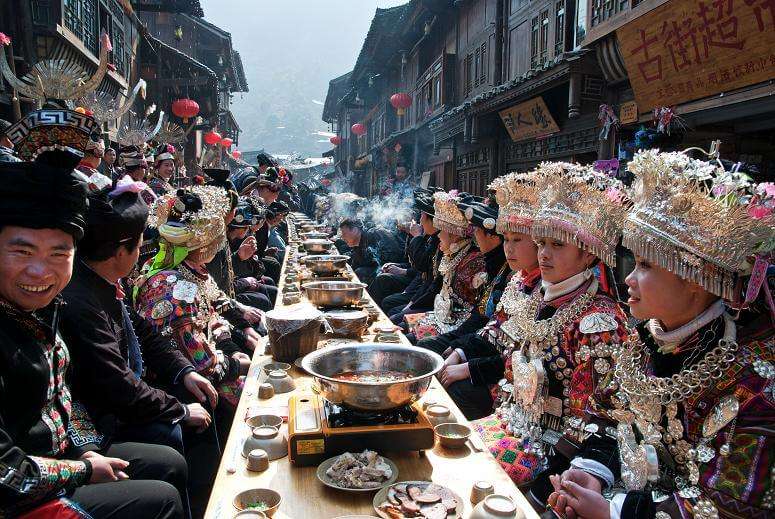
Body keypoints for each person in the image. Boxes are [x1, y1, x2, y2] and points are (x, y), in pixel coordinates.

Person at [546, 150, 775, 519]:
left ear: (696, 280)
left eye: (646, 265)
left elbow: (729, 507)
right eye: (633, 263)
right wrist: (590, 473)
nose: (628, 279)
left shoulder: (753, 382)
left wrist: (615, 511)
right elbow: (605, 414)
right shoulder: (643, 342)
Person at [0, 159, 185, 518]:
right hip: (19, 499)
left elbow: (61, 399)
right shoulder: (67, 304)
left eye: (59, 253)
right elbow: (8, 472)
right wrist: (82, 469)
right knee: (162, 498)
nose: (40, 270)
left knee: (168, 463)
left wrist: (85, 449)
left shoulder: (43, 308)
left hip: (61, 457)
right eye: (22, 251)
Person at [471, 162, 630, 502]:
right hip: (512, 423)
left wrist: (543, 488)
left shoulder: (599, 321)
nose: (543, 253)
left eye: (557, 245)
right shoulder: (536, 296)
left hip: (556, 452)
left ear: (588, 254)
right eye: (541, 242)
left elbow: (596, 423)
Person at [59, 177, 215, 448]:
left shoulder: (103, 282)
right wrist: (180, 410)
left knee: (196, 390)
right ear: (120, 252)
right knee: (174, 433)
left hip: (125, 393)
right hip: (100, 417)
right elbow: (117, 385)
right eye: (139, 247)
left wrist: (185, 371)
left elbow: (145, 332)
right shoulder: (81, 303)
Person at [134, 186, 249, 409]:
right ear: (201, 244)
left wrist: (231, 342)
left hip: (205, 362)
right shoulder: (176, 285)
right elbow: (196, 357)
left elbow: (210, 316)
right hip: (183, 384)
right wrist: (235, 363)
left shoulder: (188, 271)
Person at [416, 194, 506, 357]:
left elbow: (480, 316)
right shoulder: (486, 260)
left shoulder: (478, 262)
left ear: (493, 236)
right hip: (453, 322)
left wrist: (460, 348)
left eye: (478, 230)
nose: (475, 237)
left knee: (422, 345)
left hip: (462, 326)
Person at [407, 191, 486, 339]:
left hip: (457, 324)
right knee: (402, 323)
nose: (438, 235)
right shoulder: (453, 253)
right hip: (441, 315)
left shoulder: (474, 261)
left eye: (442, 230)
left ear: (454, 234)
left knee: (410, 335)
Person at [384, 190, 442, 322]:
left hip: (431, 299)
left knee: (394, 311)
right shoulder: (429, 236)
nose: (420, 221)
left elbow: (421, 266)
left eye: (422, 216)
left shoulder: (434, 239)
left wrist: (417, 237)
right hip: (420, 287)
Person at [338, 217, 405, 285]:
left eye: (344, 234)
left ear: (355, 230)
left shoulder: (375, 234)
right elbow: (355, 263)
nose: (342, 238)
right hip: (382, 270)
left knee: (361, 273)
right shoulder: (358, 244)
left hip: (400, 269)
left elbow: (393, 258)